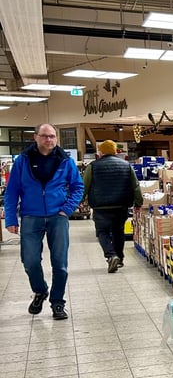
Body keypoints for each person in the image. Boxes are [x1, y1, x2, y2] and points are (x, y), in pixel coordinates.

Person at [4, 123, 84, 320]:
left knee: (60, 263)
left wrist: (67, 209)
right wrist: (11, 218)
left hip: (58, 216)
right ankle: (40, 290)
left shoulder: (65, 160)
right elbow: (12, 191)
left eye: (52, 136)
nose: (49, 140)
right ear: (36, 138)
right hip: (31, 216)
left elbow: (78, 187)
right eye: (45, 136)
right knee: (30, 261)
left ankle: (58, 303)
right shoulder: (23, 160)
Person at [83, 140, 142, 273]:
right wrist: (138, 202)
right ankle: (119, 258)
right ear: (115, 151)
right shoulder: (126, 165)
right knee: (118, 232)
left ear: (101, 152)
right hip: (121, 205)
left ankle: (111, 255)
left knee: (102, 232)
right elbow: (135, 186)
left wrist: (78, 201)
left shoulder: (93, 166)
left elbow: (85, 186)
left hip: (100, 207)